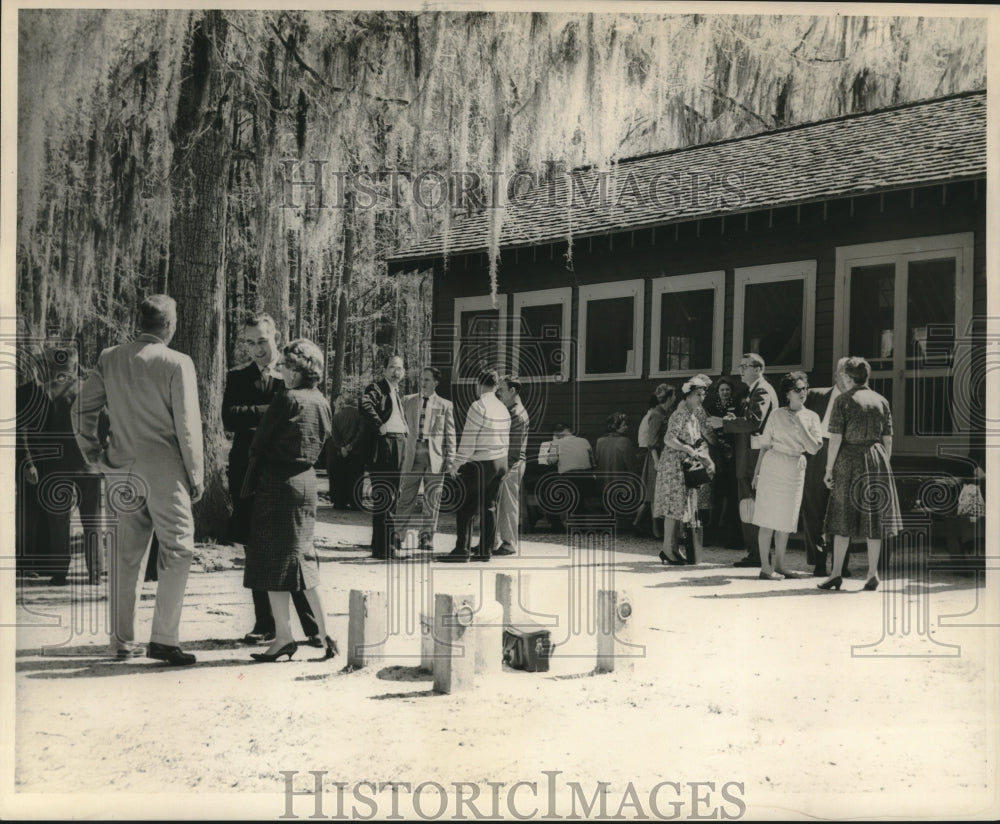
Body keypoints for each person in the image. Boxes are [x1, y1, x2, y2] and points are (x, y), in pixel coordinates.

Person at [73, 294, 202, 665]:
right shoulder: (178, 362)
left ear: (140, 323)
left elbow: (81, 408)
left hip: (120, 468)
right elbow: (187, 425)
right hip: (166, 472)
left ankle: (121, 642)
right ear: (169, 325)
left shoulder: (110, 357)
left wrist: (92, 451)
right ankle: (164, 638)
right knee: (179, 549)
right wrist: (196, 473)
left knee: (125, 557)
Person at [222, 313, 319, 645]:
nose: (257, 349)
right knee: (255, 547)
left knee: (295, 547)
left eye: (262, 341)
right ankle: (265, 623)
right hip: (247, 471)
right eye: (250, 343)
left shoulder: (293, 372)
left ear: (275, 336)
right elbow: (229, 417)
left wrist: (259, 414)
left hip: (285, 472)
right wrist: (273, 410)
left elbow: (302, 414)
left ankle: (312, 627)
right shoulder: (238, 377)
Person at [241, 339, 338, 662]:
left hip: (279, 485)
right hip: (307, 483)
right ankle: (324, 632)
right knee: (303, 560)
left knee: (273, 562)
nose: (280, 370)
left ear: (296, 371)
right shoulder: (321, 401)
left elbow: (259, 442)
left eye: (283, 365)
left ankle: (284, 637)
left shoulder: (287, 399)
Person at [19, 347, 106, 585]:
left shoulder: (43, 392)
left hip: (54, 467)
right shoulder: (90, 390)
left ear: (51, 367)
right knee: (93, 521)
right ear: (75, 366)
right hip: (89, 465)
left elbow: (28, 430)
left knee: (58, 522)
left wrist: (31, 460)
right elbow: (106, 422)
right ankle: (95, 573)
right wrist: (100, 449)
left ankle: (59, 574)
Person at [819, 356, 902, 592]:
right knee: (873, 518)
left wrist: (828, 469)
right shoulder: (881, 400)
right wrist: (883, 463)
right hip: (877, 458)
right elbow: (888, 439)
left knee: (841, 517)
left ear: (847, 376)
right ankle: (872, 574)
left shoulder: (843, 400)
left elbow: (836, 438)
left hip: (849, 459)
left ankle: (836, 573)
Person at [707, 353, 778, 568]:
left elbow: (754, 422)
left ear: (758, 369)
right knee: (750, 504)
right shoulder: (755, 390)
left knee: (750, 504)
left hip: (752, 459)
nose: (741, 371)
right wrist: (732, 420)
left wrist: (723, 423)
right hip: (749, 457)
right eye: (740, 366)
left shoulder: (762, 390)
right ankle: (757, 553)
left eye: (745, 366)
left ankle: (757, 554)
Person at [750, 372, 823, 580]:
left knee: (786, 520)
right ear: (787, 393)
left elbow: (814, 448)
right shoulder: (776, 415)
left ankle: (780, 565)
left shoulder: (812, 417)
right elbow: (765, 446)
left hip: (795, 466)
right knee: (767, 519)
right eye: (797, 389)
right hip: (773, 465)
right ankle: (765, 567)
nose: (803, 393)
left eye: (805, 388)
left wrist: (800, 423)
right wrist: (757, 473)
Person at [439, 370, 510, 563]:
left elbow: (469, 440)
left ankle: (461, 550)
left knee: (466, 505)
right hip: (501, 460)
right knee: (490, 506)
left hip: (482, 461)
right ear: (496, 386)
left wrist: (456, 463)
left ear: (478, 385)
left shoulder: (478, 406)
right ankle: (485, 551)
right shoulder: (503, 408)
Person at [654, 374, 715, 565]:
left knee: (680, 509)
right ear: (688, 396)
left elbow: (698, 441)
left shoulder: (693, 417)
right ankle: (667, 549)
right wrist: (688, 449)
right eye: (698, 395)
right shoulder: (679, 414)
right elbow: (668, 438)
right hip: (673, 465)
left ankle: (673, 548)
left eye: (703, 395)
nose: (701, 398)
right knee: (673, 508)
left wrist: (706, 458)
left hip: (686, 466)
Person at [396, 367, 456, 552]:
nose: (423, 383)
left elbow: (450, 434)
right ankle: (397, 536)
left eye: (427, 380)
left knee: (432, 500)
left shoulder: (445, 405)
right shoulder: (407, 401)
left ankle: (426, 538)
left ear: (435, 382)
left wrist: (451, 458)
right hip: (412, 455)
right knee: (405, 498)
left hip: (435, 457)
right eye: (422, 379)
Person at [802, 358, 850, 577]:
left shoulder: (857, 401)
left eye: (851, 373)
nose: (847, 378)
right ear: (836, 374)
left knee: (842, 510)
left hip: (845, 454)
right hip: (817, 452)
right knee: (814, 508)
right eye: (843, 373)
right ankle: (818, 562)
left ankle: (841, 565)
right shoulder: (815, 395)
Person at [360, 354, 409, 560]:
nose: (396, 372)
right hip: (386, 445)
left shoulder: (396, 391)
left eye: (399, 368)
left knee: (392, 495)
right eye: (392, 367)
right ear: (384, 370)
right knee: (386, 496)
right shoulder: (377, 388)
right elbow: (365, 405)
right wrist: (379, 425)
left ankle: (380, 546)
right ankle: (385, 548)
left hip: (399, 443)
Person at [632, 384, 676, 538]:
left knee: (656, 494)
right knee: (653, 494)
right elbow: (652, 442)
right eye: (673, 395)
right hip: (656, 457)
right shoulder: (656, 414)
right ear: (669, 397)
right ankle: (656, 529)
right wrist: (657, 462)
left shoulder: (667, 412)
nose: (675, 398)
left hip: (665, 456)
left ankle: (642, 524)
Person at [493, 375, 529, 556]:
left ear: (512, 390)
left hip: (511, 464)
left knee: (507, 505)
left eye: (501, 389)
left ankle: (509, 544)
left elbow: (514, 448)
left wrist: (503, 470)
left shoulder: (517, 415)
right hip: (506, 462)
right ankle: (494, 541)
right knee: (499, 503)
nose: (498, 392)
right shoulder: (509, 410)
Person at [705, 377, 741, 550]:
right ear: (718, 392)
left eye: (727, 389)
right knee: (716, 494)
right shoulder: (712, 407)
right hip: (716, 451)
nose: (725, 392)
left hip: (733, 452)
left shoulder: (737, 406)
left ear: (731, 392)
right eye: (722, 390)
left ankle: (731, 534)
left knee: (732, 494)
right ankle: (711, 533)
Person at [543, 422, 596, 531]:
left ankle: (556, 525)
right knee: (579, 495)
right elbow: (593, 462)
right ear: (569, 431)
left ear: (556, 434)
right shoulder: (584, 441)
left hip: (569, 479)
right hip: (588, 480)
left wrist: (553, 442)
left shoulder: (556, 443)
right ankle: (581, 525)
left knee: (548, 491)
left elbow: (551, 461)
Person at [596, 412, 635, 528]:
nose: (626, 427)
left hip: (603, 480)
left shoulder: (600, 441)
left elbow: (597, 460)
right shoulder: (625, 441)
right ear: (616, 426)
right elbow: (631, 464)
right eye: (624, 425)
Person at [327, 392, 365, 509]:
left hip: (342, 452)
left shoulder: (337, 416)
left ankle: (340, 502)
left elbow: (335, 435)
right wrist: (351, 445)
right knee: (356, 477)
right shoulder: (360, 415)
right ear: (354, 402)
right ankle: (355, 503)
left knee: (342, 476)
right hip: (356, 451)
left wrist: (342, 447)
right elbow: (361, 433)